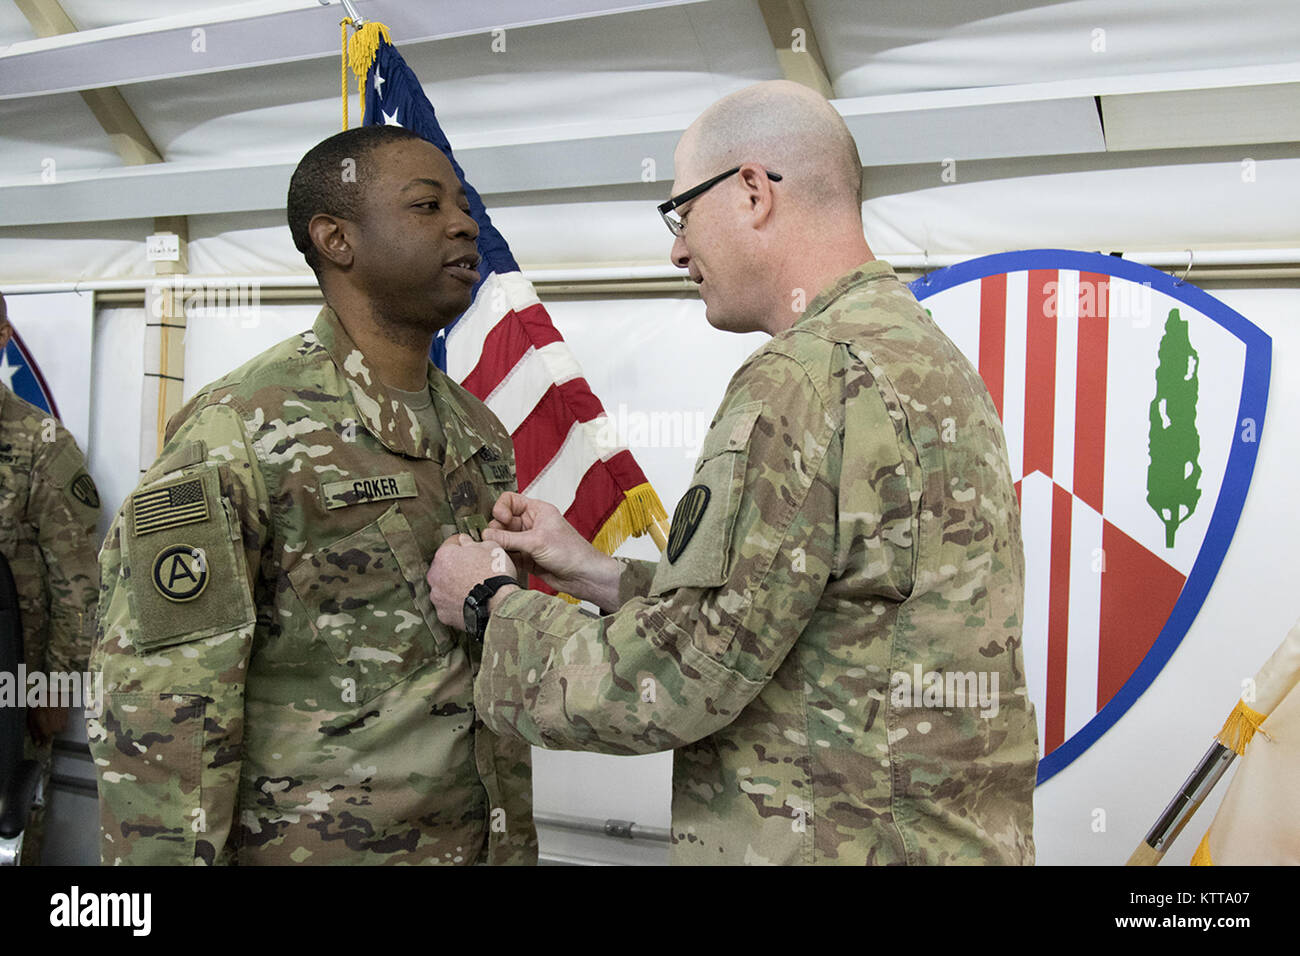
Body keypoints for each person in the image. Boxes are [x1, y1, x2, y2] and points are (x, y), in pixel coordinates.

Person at [429, 80, 1038, 865]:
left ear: (751, 191)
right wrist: (595, 573)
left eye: (681, 214)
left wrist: (489, 604)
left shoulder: (803, 378)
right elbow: (803, 613)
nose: (677, 248)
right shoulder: (918, 354)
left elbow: (678, 679)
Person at [87, 126, 536, 865]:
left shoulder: (478, 430)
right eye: (428, 206)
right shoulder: (240, 429)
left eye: (464, 203)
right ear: (336, 240)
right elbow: (163, 706)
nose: (465, 222)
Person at [0, 290, 101, 865]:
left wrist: (53, 689)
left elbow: (78, 579)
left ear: (4, 337)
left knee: (8, 827)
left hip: (12, 688)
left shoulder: (39, 445)